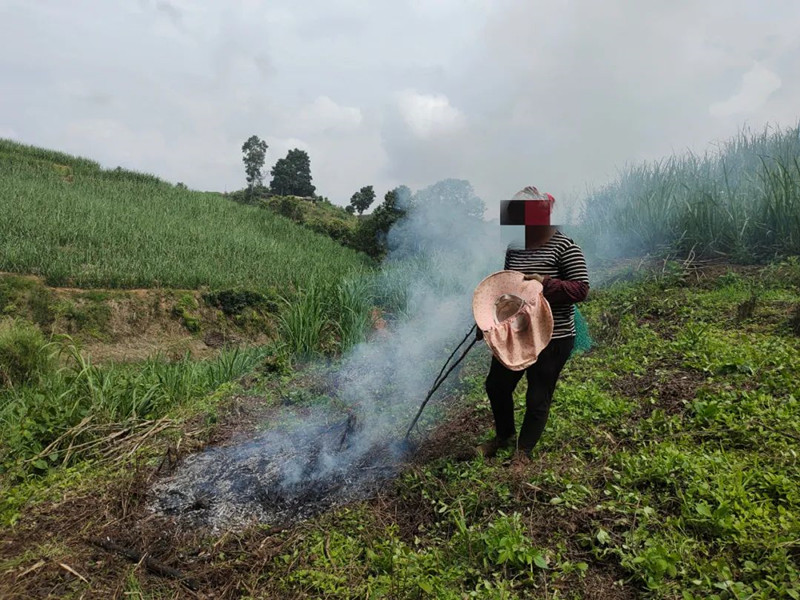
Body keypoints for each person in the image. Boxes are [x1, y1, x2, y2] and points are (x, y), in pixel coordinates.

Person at [477, 187, 589, 465]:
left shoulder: (565, 247)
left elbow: (581, 289)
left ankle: (522, 452)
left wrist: (545, 283)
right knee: (496, 385)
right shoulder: (515, 247)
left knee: (538, 395)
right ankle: (504, 437)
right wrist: (487, 320)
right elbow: (508, 288)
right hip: (518, 333)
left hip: (554, 336)